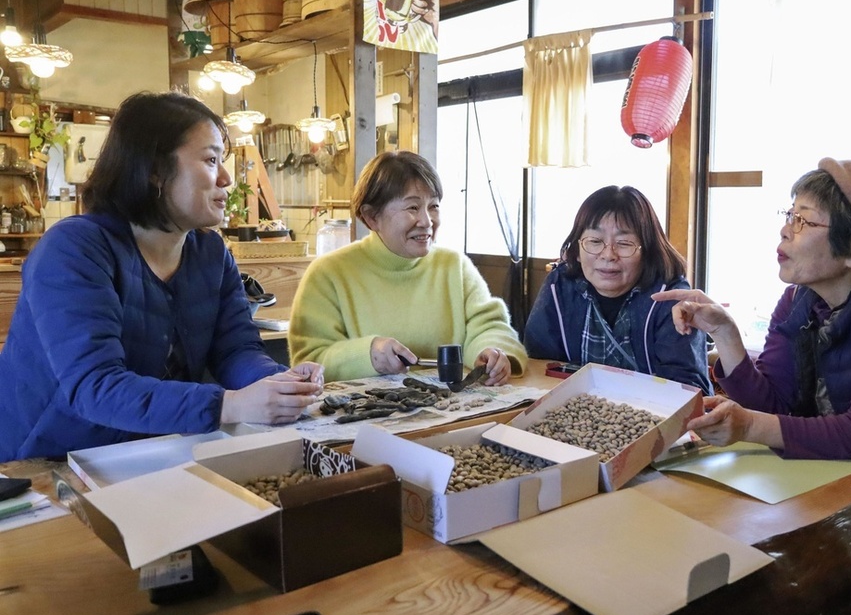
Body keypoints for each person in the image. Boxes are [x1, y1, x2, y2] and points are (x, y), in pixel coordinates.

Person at [0, 92, 324, 462]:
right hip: (44, 463)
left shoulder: (211, 254)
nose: (226, 178)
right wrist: (229, 405)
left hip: (152, 450)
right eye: (210, 160)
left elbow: (236, 350)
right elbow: (96, 386)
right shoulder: (74, 249)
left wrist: (279, 384)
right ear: (154, 169)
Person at [653, 157, 851, 467]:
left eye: (803, 221)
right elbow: (775, 406)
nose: (784, 231)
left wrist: (750, 426)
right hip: (844, 479)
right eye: (789, 215)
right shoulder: (797, 299)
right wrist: (724, 333)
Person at [288, 150, 526, 384]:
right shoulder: (329, 273)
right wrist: (368, 355)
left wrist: (492, 351)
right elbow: (309, 360)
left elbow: (489, 325)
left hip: (450, 411)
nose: (426, 221)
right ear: (372, 217)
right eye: (412, 208)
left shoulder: (454, 266)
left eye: (433, 206)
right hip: (363, 414)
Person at [524, 185, 712, 393]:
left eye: (623, 243)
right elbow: (538, 366)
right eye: (595, 241)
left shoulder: (671, 297)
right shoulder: (559, 286)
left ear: (648, 252)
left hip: (652, 415)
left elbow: (691, 390)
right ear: (577, 251)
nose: (608, 255)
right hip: (573, 410)